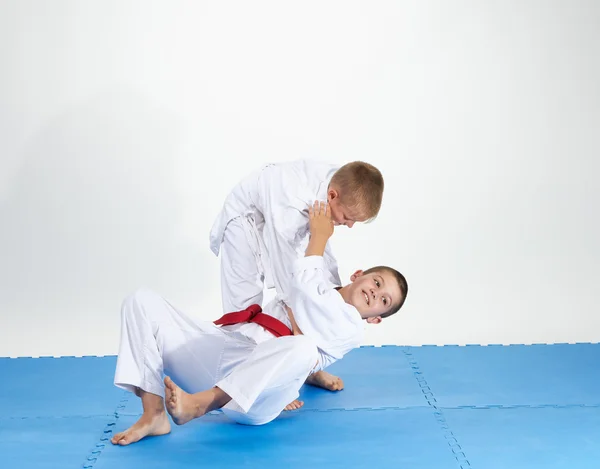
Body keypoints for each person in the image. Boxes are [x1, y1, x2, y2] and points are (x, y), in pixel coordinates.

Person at [111, 201, 407, 446]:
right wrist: (320, 219)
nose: (375, 293)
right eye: (377, 282)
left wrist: (320, 238)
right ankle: (153, 414)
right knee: (141, 301)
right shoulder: (320, 280)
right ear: (358, 274)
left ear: (377, 319)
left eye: (384, 300)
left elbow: (308, 290)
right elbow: (307, 280)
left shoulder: (352, 328)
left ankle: (202, 403)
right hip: (231, 349)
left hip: (254, 401)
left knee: (303, 348)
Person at [209, 160, 385, 315]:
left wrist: (335, 291)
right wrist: (297, 319)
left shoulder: (345, 183)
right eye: (348, 218)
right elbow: (283, 262)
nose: (349, 225)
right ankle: (232, 347)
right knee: (243, 304)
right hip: (244, 217)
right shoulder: (292, 200)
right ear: (332, 196)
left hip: (274, 210)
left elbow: (319, 248)